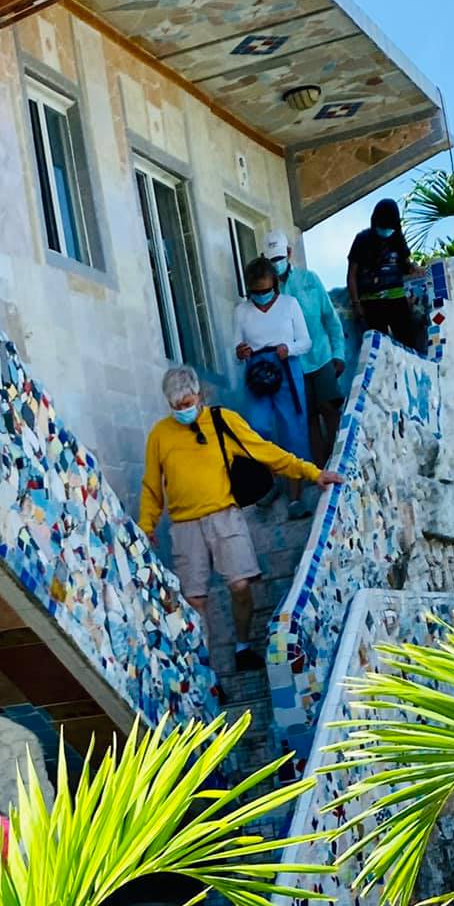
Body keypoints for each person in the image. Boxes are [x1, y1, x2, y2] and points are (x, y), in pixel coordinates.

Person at [139, 365, 341, 673]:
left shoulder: (223, 420)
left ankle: (243, 646)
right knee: (195, 600)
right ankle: (206, 671)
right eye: (176, 406)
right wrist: (147, 526)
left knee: (241, 585)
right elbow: (152, 485)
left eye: (187, 403)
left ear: (199, 395)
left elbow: (267, 452)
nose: (182, 410)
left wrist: (313, 473)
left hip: (225, 516)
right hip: (185, 526)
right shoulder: (159, 435)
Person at [233, 254, 312, 510]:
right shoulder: (241, 311)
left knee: (293, 429)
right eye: (255, 292)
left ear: (274, 284)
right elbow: (235, 350)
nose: (261, 296)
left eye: (265, 290)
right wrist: (240, 352)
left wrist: (289, 349)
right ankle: (270, 483)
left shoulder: (290, 304)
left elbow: (305, 342)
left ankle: (296, 495)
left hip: (285, 367)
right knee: (257, 428)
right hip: (257, 372)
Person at [263, 228, 346, 469]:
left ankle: (339, 465)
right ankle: (321, 472)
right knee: (308, 419)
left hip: (320, 357)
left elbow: (330, 319)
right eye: (272, 260)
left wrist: (338, 353)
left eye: (280, 258)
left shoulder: (310, 280)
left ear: (289, 253)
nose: (277, 264)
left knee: (330, 409)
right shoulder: (266, 294)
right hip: (291, 367)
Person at [347, 197, 427, 354]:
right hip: (372, 302)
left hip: (397, 300)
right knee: (380, 350)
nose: (385, 231)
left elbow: (406, 266)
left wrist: (416, 269)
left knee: (408, 344)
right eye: (382, 226)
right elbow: (352, 275)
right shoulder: (362, 239)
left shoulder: (398, 239)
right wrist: (356, 304)